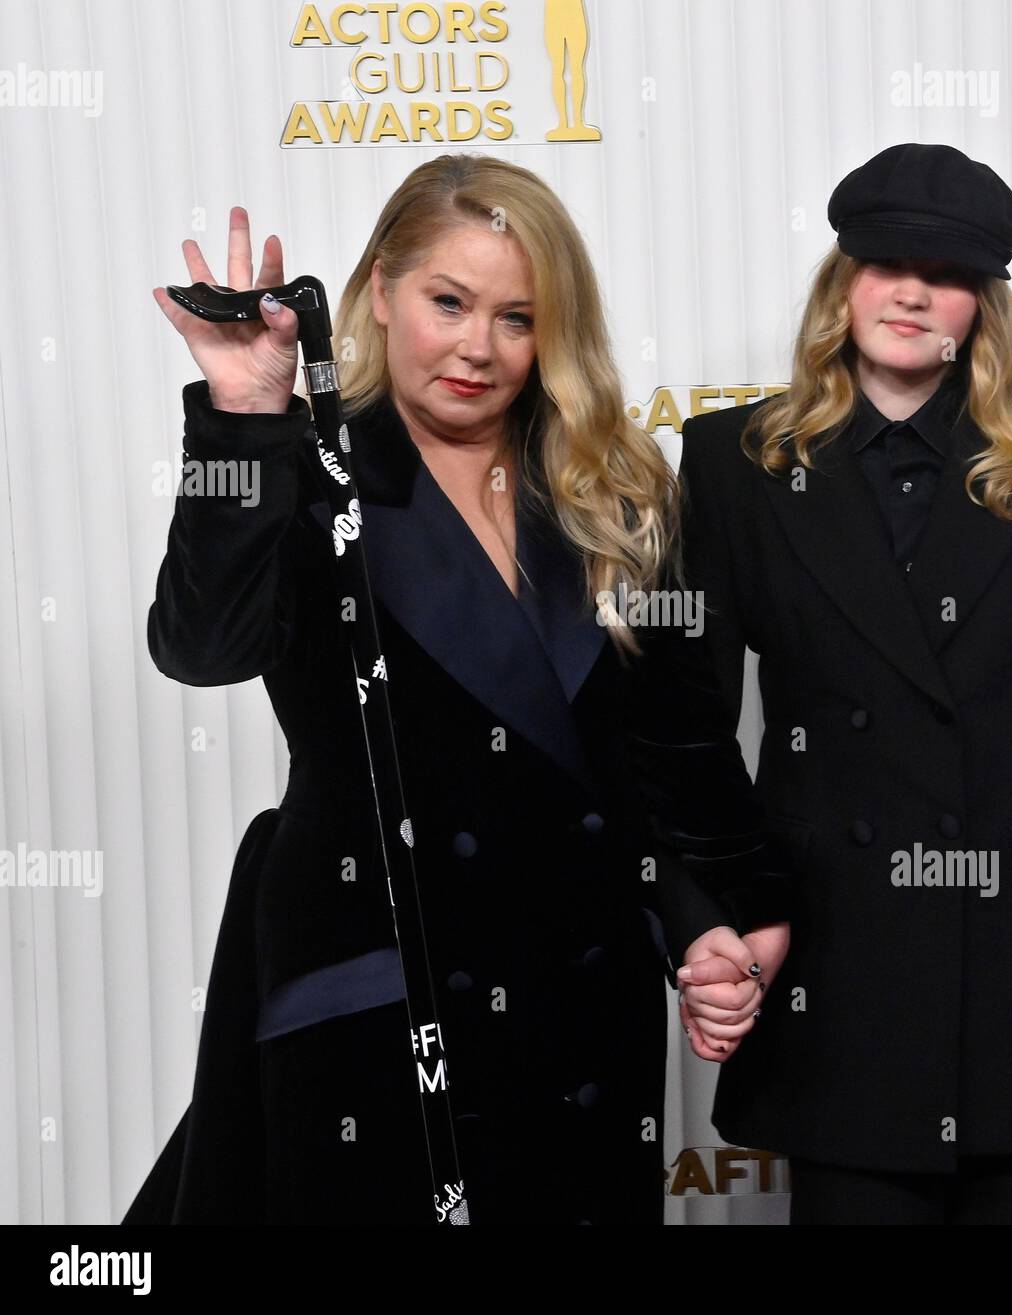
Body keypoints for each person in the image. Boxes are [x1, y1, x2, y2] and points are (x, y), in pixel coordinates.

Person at [124, 154, 791, 1226]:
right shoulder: (302, 470)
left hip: (583, 996)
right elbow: (201, 647)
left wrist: (707, 917)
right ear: (381, 291)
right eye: (449, 302)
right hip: (380, 986)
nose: (478, 346)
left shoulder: (615, 489)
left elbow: (668, 747)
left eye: (517, 317)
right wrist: (243, 416)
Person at [672, 143, 1012, 1224]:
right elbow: (691, 732)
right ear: (841, 281)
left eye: (944, 273)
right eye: (884, 262)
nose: (910, 291)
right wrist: (699, 922)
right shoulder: (733, 460)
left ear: (982, 307)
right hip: (834, 954)